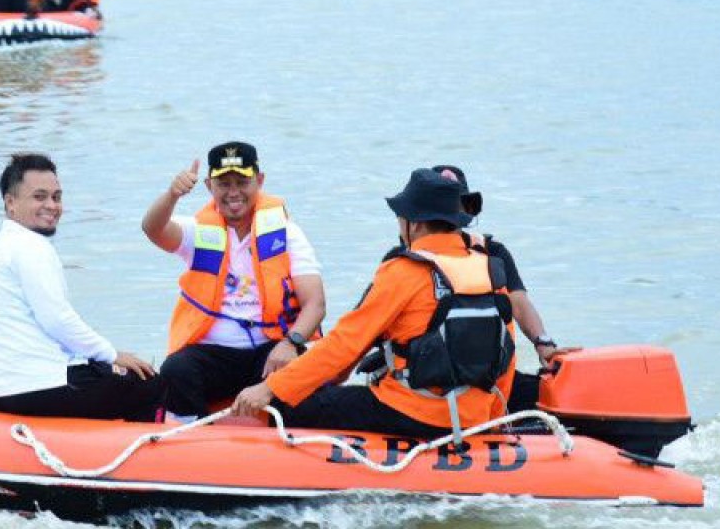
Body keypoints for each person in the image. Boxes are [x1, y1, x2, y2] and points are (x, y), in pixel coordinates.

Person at [232, 168, 516, 440]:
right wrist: (491, 419)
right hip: (475, 415)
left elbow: (345, 344)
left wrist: (269, 389)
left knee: (292, 404)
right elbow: (506, 351)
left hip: (416, 412)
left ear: (413, 223)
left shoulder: (404, 270)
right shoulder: (488, 268)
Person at [141, 141, 326, 423]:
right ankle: (191, 442)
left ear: (259, 181)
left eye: (242, 182)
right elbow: (152, 229)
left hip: (270, 350)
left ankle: (291, 444)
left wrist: (290, 344)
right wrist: (172, 194)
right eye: (224, 184)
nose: (233, 192)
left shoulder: (287, 233)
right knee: (176, 370)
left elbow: (315, 304)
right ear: (208, 186)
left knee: (299, 373)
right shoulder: (198, 231)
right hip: (213, 354)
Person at [0, 153, 163, 421]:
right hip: (29, 386)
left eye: (56, 197)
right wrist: (112, 354)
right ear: (10, 203)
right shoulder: (30, 247)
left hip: (0, 386)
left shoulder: (8, 243)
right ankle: (146, 457)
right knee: (149, 383)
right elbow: (57, 320)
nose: (52, 205)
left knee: (106, 371)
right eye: (39, 197)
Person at [431, 164, 579, 411]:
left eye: (455, 205)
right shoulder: (410, 261)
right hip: (431, 384)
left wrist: (544, 344)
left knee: (561, 396)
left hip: (492, 381)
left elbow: (518, 303)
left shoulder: (494, 253)